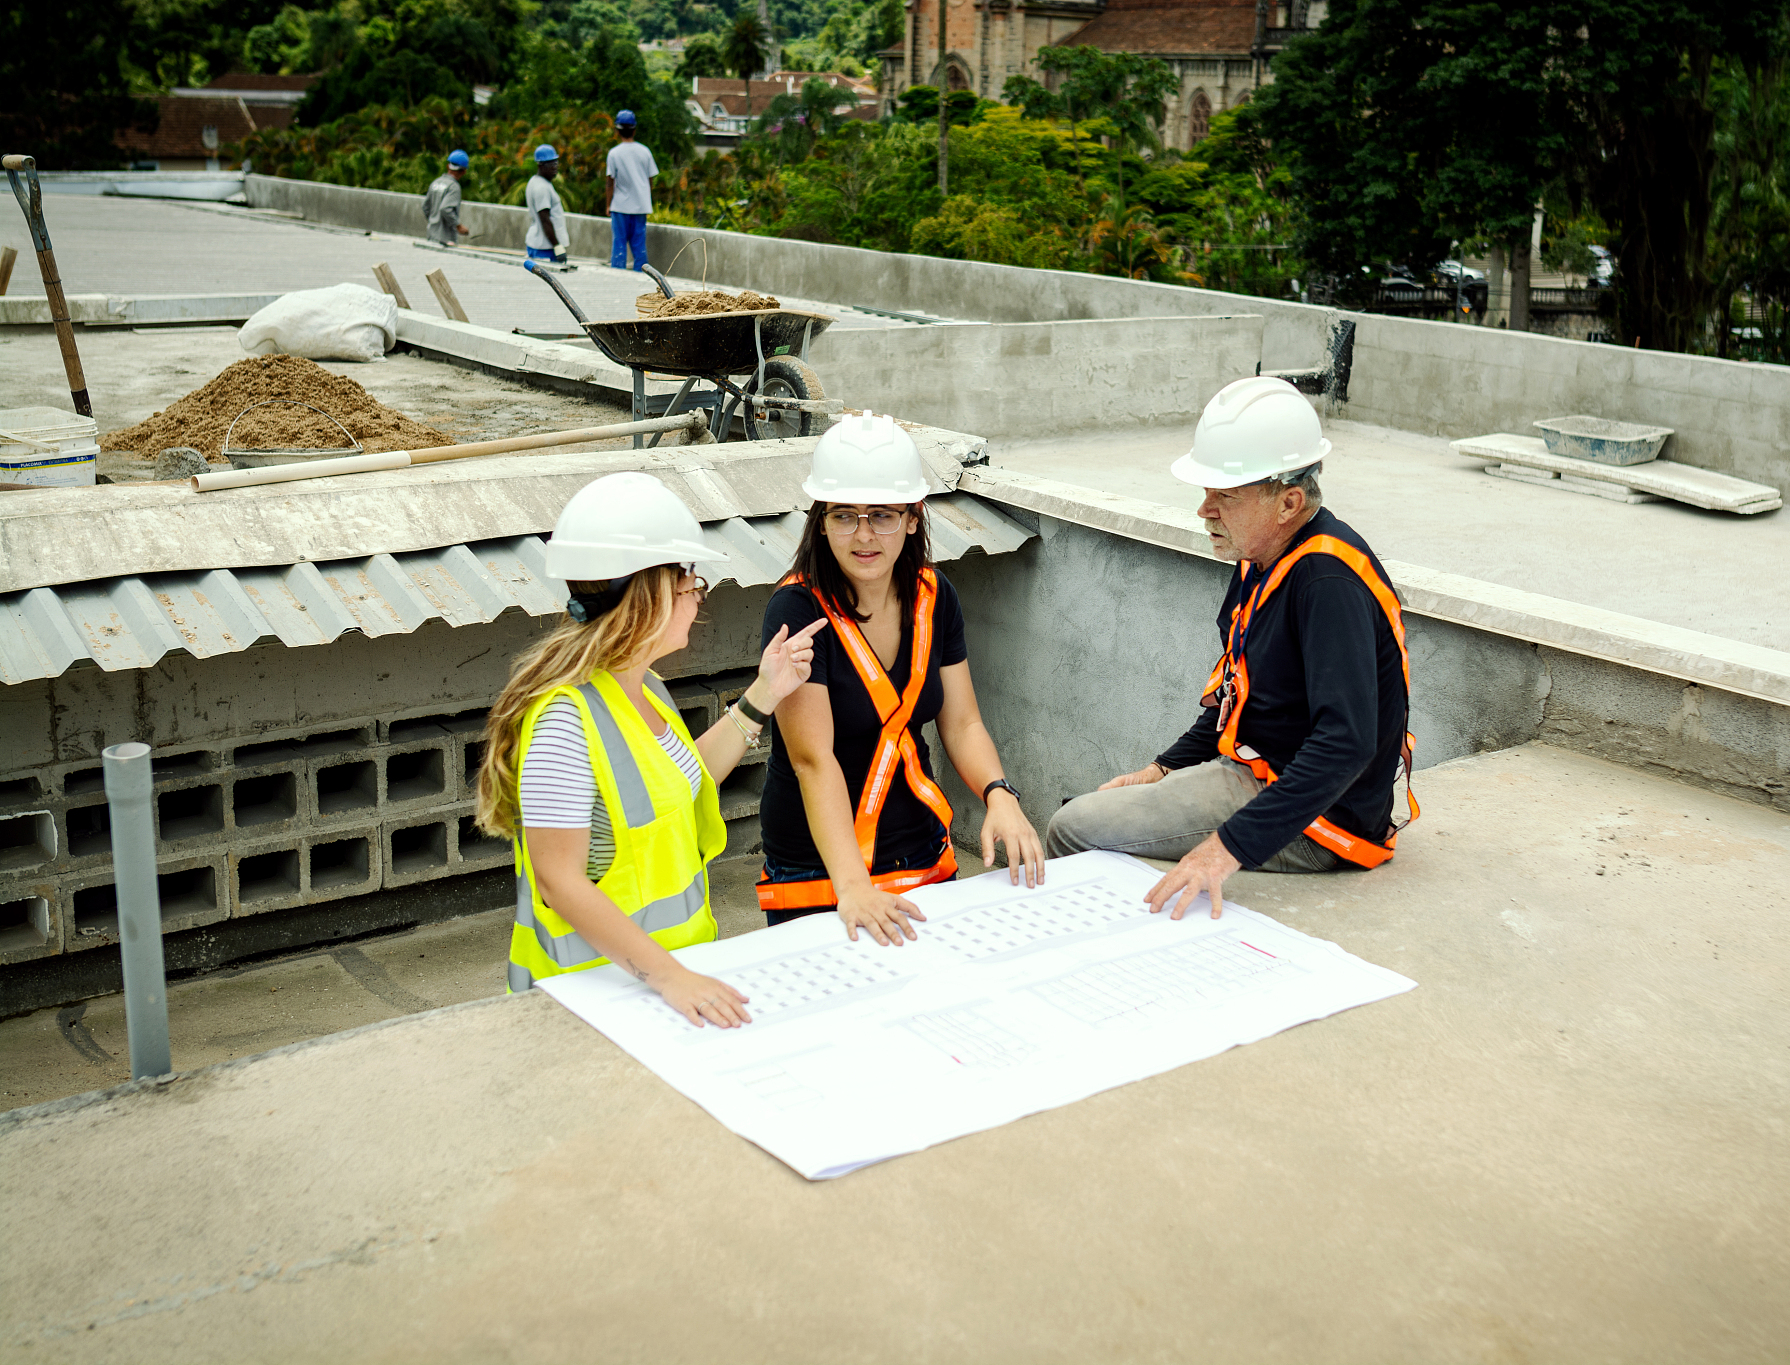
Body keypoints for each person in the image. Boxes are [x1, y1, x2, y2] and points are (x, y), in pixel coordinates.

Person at [1046, 377, 1417, 920]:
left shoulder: (1325, 581)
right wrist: (1163, 768)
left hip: (1319, 821)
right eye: (1206, 493)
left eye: (1225, 496)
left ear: (1289, 502)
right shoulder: (1262, 556)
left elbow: (1347, 743)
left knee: (1071, 827)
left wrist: (1224, 850)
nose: (1205, 510)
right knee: (1092, 811)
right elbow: (1237, 693)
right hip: (1264, 771)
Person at [474, 471, 827, 1026]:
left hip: (664, 986)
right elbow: (557, 880)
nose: (697, 597)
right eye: (689, 582)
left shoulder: (645, 688)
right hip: (591, 1001)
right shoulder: (564, 722)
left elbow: (678, 782)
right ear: (650, 594)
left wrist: (765, 693)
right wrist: (669, 977)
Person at [756, 412, 1046, 945]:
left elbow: (962, 722)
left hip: (918, 842)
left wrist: (999, 794)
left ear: (914, 518)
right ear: (821, 522)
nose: (864, 535)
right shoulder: (797, 608)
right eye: (845, 516)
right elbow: (812, 760)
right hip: (819, 863)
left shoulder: (935, 596)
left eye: (883, 515)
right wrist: (853, 886)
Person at [605, 109, 658, 271]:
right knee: (639, 246)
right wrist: (645, 197)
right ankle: (641, 274)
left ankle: (617, 275)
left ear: (617, 131)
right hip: (640, 206)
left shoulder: (614, 153)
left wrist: (608, 205)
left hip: (620, 206)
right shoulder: (645, 151)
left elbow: (610, 182)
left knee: (619, 245)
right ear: (634, 130)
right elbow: (650, 179)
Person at [525, 144, 567, 263]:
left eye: (555, 163)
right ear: (540, 166)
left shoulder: (536, 181)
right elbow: (545, 219)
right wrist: (557, 246)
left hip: (541, 244)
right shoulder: (541, 188)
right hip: (545, 247)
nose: (554, 167)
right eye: (550, 164)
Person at [423, 150, 470, 245]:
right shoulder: (454, 187)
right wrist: (458, 226)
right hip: (445, 238)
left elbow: (425, 207)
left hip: (432, 234)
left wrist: (434, 221)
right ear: (464, 171)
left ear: (448, 166)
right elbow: (445, 208)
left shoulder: (436, 182)